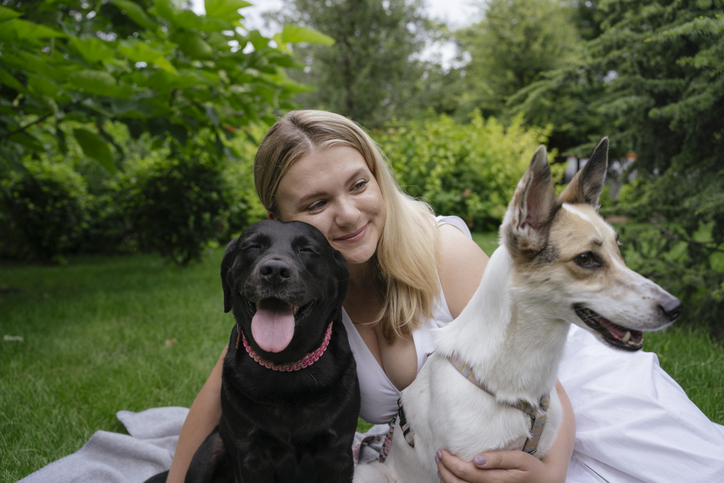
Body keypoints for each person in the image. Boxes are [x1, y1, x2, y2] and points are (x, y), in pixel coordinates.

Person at [168, 110, 724, 483]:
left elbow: (539, 375)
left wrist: (550, 469)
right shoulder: (296, 297)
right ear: (281, 223)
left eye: (358, 185)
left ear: (377, 177)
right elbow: (224, 382)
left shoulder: (442, 252)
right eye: (314, 205)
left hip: (567, 403)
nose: (348, 213)